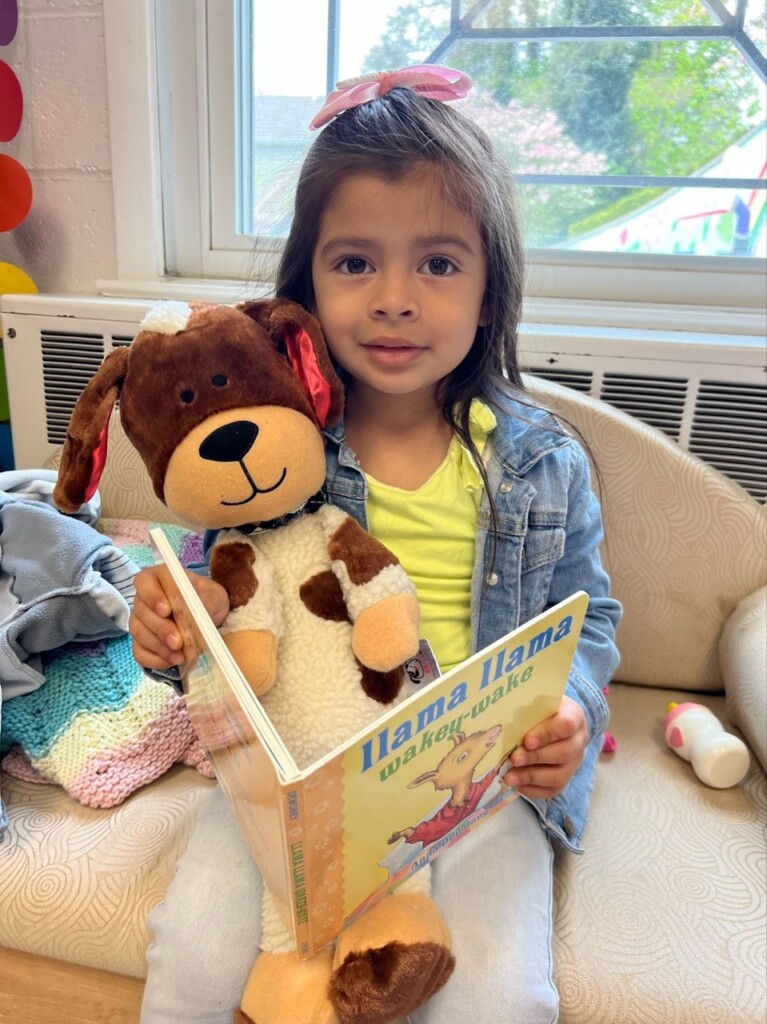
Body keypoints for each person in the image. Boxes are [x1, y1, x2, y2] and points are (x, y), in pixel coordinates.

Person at [131, 65, 621, 1024]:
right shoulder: (272, 447)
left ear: (490, 290)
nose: (394, 298)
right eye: (355, 262)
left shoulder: (538, 461)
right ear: (304, 287)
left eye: (437, 264)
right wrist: (168, 628)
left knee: (496, 998)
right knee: (190, 956)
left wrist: (569, 703)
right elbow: (214, 587)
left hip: (472, 783)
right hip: (297, 776)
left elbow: (589, 614)